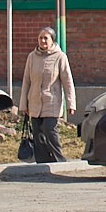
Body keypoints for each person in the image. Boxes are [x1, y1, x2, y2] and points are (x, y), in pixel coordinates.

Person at [20, 27, 76, 163]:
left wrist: (71, 103)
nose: (43, 41)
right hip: (34, 102)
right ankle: (43, 162)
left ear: (52, 40)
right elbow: (26, 81)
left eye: (46, 38)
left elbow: (68, 82)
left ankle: (59, 160)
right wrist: (23, 104)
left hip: (52, 101)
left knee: (49, 130)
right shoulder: (32, 57)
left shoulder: (60, 57)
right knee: (38, 134)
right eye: (40, 38)